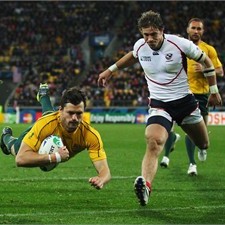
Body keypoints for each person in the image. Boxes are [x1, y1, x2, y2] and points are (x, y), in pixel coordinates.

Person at [98, 10, 222, 206]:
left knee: (203, 143)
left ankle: (179, 138)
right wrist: (110, 70)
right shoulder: (141, 45)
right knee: (153, 141)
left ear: (162, 31)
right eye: (145, 34)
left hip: (185, 103)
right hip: (159, 104)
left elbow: (206, 61)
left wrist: (214, 90)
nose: (149, 39)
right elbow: (132, 56)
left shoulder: (180, 44)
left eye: (153, 34)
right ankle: (146, 185)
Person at [0, 83, 111, 190]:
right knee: (16, 149)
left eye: (79, 113)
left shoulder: (90, 135)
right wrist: (55, 157)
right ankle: (6, 137)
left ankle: (43, 95)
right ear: (60, 110)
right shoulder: (45, 125)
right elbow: (20, 159)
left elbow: (105, 171)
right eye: (70, 113)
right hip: (43, 131)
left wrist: (101, 179)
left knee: (48, 115)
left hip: (51, 125)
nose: (74, 118)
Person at [160, 18, 224, 175]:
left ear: (203, 31)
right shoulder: (179, 47)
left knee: (198, 133)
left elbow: (220, 71)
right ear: (187, 30)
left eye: (199, 29)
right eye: (193, 28)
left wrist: (204, 69)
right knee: (168, 127)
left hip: (201, 94)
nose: (196, 31)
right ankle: (190, 163)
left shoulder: (208, 50)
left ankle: (200, 149)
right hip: (180, 92)